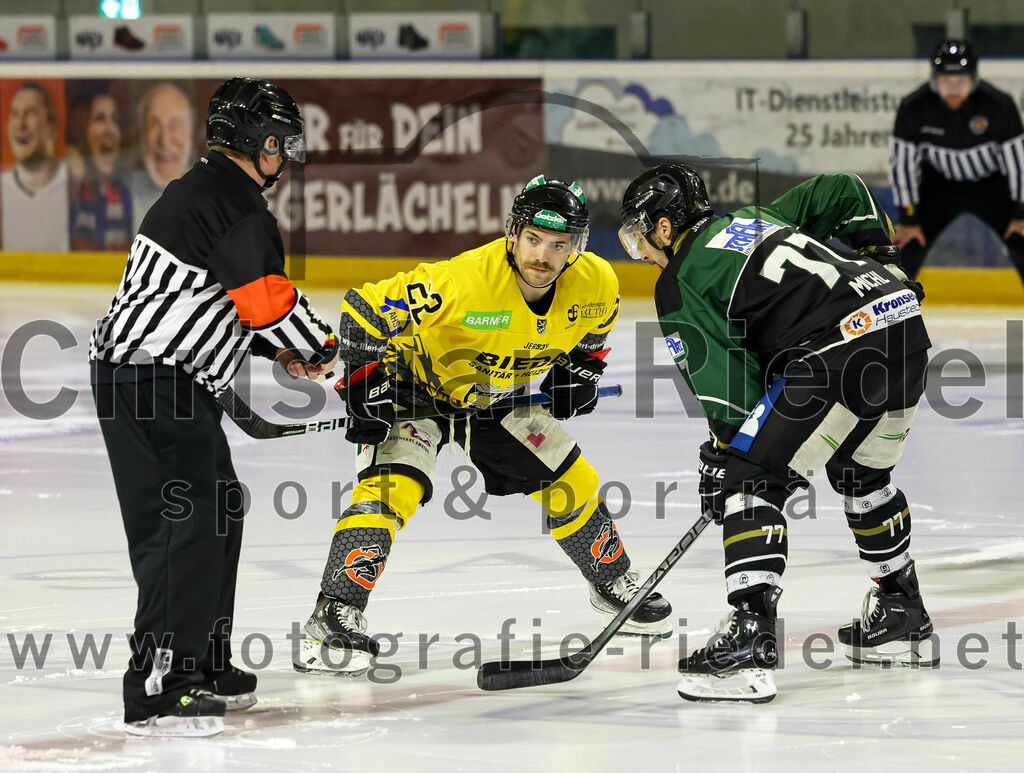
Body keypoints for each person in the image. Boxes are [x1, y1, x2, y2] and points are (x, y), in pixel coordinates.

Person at [295, 176, 673, 676]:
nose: (542, 255)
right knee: (392, 490)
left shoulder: (597, 282)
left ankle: (613, 583)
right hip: (416, 389)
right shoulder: (461, 281)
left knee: (571, 478)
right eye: (533, 239)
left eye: (558, 245)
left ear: (577, 247)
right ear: (513, 233)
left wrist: (581, 370)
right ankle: (333, 613)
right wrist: (368, 387)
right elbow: (363, 310)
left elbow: (595, 328)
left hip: (494, 396)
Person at [619, 164, 937, 703]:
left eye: (638, 236)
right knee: (860, 473)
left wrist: (728, 454)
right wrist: (882, 256)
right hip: (903, 329)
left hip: (838, 351)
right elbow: (843, 187)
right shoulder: (756, 218)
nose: (641, 251)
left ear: (666, 227)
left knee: (749, 477)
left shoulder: (679, 281)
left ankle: (749, 638)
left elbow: (730, 396)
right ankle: (903, 607)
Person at [90, 77, 338, 737]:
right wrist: (324, 351)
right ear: (259, 143)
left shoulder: (207, 193)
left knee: (218, 507)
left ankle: (202, 659)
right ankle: (162, 682)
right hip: (149, 385)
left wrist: (277, 353)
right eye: (281, 143)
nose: (285, 156)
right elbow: (267, 301)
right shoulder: (235, 207)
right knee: (181, 527)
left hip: (162, 382)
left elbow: (207, 302)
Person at [890, 40, 1024, 281]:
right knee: (906, 247)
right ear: (934, 79)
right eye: (945, 81)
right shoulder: (914, 107)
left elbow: (1019, 163)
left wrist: (1020, 213)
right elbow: (903, 165)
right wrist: (908, 216)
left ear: (973, 80)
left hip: (993, 187)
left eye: (960, 80)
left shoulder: (999, 105)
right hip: (938, 188)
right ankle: (893, 315)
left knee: (1021, 241)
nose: (953, 88)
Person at [0, 81, 69, 252]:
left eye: (29, 114)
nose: (20, 125)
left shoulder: (74, 185)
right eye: (14, 114)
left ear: (51, 126)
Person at [69, 89, 134, 250]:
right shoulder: (73, 183)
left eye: (115, 120)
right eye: (100, 119)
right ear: (84, 130)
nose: (109, 128)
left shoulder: (128, 187)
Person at [129, 82, 195, 231]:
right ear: (141, 136)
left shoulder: (211, 197)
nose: (164, 140)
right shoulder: (122, 192)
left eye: (175, 125)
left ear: (190, 135)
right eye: (154, 125)